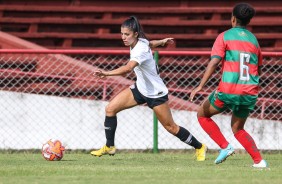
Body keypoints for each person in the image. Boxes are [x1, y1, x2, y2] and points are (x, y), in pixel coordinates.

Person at [91, 16, 207, 161]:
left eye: (126, 34)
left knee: (171, 127)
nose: (123, 37)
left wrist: (106, 73)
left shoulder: (139, 49)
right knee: (110, 109)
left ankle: (200, 147)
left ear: (135, 34)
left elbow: (128, 68)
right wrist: (162, 42)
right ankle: (109, 146)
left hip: (155, 94)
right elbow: (150, 43)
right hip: (140, 89)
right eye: (121, 34)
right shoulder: (140, 42)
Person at [189, 3, 268, 168]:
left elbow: (214, 62)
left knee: (202, 115)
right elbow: (258, 68)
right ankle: (259, 161)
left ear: (233, 18)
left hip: (229, 90)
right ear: (248, 21)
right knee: (238, 129)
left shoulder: (224, 36)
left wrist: (201, 86)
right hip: (249, 92)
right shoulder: (254, 40)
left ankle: (225, 146)